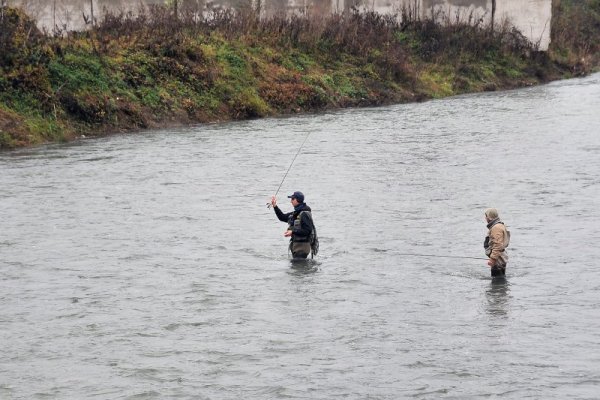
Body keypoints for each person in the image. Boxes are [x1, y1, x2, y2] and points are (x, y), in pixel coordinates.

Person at [270, 191, 315, 259]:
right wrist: (275, 206)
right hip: (296, 246)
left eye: (292, 199)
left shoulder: (304, 213)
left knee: (298, 268)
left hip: (302, 247)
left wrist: (292, 232)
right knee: (295, 268)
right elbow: (282, 217)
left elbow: (307, 230)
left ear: (297, 200)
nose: (291, 201)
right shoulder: (296, 213)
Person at [484, 208, 510, 277]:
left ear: (489, 217)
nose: (485, 218)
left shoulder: (496, 227)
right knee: (500, 277)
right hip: (500, 256)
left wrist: (492, 259)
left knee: (496, 280)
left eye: (486, 216)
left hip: (498, 258)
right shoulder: (500, 225)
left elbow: (498, 245)